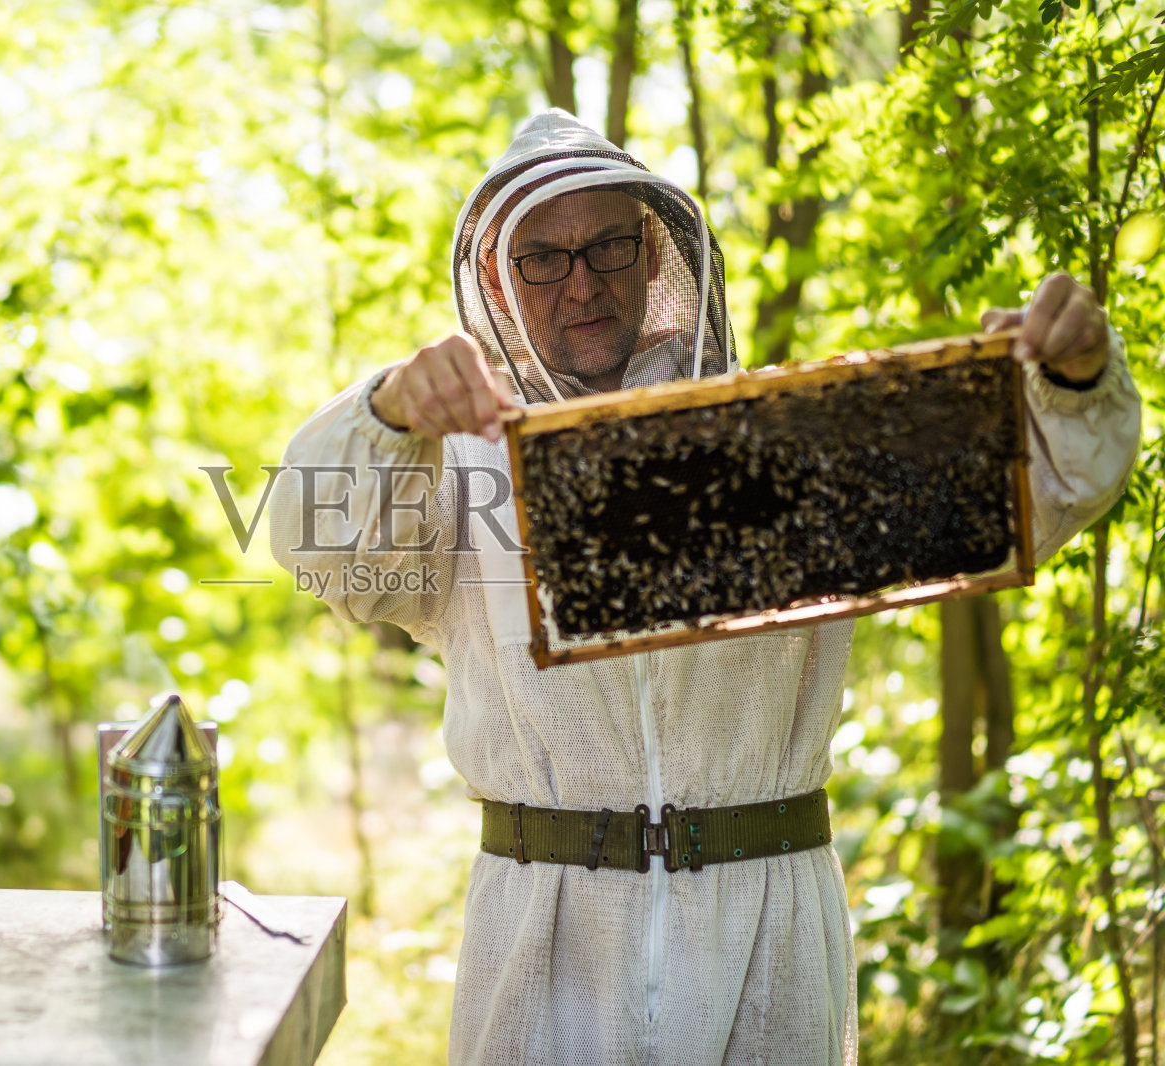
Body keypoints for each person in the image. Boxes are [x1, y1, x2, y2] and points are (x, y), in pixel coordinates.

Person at [268, 109, 1141, 1065]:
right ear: (493, 279)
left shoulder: (790, 441)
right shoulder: (458, 472)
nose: (584, 283)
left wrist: (1074, 377)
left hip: (765, 939)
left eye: (608, 245)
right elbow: (320, 548)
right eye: (543, 260)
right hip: (546, 949)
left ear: (656, 254)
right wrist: (390, 412)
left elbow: (1034, 493)